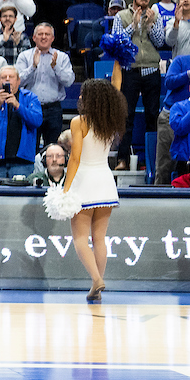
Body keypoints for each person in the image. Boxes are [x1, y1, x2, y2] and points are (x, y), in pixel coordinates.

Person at [52, 78, 127, 302]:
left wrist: (65, 189)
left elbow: (74, 158)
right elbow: (116, 86)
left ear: (92, 99)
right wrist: (118, 61)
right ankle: (98, 284)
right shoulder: (110, 121)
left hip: (84, 181)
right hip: (105, 180)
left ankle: (96, 279)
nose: (81, 97)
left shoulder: (78, 122)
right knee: (100, 239)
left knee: (80, 238)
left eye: (84, 94)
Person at [112, 0, 166, 169]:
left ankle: (150, 160)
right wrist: (134, 25)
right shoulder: (121, 16)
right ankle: (122, 159)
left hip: (151, 70)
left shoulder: (155, 16)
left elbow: (160, 42)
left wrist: (150, 24)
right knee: (126, 116)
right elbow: (116, 43)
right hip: (130, 70)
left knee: (152, 116)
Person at [15, 23, 76, 148]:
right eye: (40, 34)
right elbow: (17, 82)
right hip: (30, 107)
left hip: (53, 109)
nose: (44, 37)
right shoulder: (24, 56)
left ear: (52, 38)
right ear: (34, 37)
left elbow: (69, 81)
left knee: (53, 147)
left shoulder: (62, 57)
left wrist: (56, 67)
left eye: (47, 34)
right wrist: (33, 67)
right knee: (30, 147)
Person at [0, 66, 44, 179]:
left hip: (22, 162)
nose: (7, 79)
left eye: (11, 77)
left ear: (18, 81)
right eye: (3, 77)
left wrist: (18, 106)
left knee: (22, 195)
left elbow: (37, 121)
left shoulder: (30, 97)